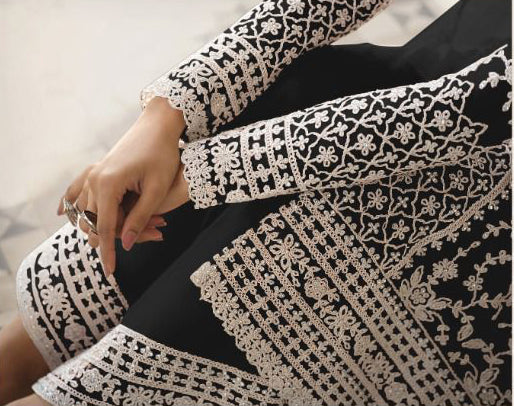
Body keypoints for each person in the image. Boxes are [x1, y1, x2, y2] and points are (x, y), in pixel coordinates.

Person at [1, 0, 511, 404]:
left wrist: (204, 170)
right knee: (15, 359)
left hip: (434, 268)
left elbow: (486, 103)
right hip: (332, 122)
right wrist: (169, 113)